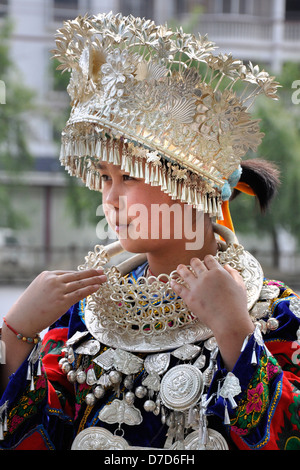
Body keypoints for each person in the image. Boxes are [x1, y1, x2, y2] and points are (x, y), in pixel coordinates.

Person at [0, 12, 299, 450]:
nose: (111, 200)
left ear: (192, 185)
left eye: (131, 177)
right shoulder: (80, 319)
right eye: (105, 178)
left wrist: (234, 329)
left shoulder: (278, 315)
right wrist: (16, 333)